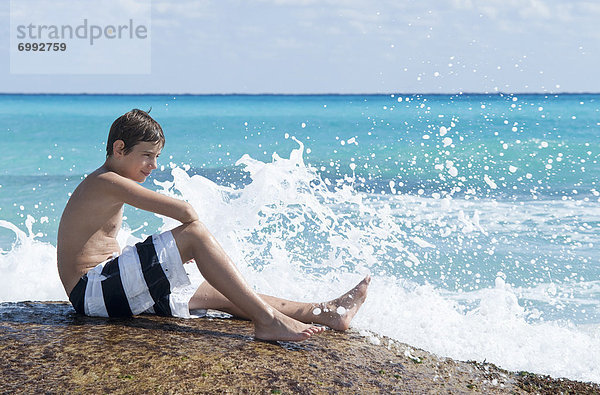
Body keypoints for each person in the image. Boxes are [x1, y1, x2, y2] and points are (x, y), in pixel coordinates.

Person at [57, 109, 370, 342]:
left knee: (219, 292)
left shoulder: (109, 180)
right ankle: (267, 321)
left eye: (157, 156)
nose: (154, 165)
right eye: (147, 156)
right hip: (92, 292)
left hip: (105, 289)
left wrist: (182, 255)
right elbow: (185, 212)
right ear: (119, 149)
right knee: (194, 234)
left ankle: (327, 313)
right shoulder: (107, 181)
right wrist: (190, 246)